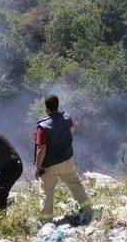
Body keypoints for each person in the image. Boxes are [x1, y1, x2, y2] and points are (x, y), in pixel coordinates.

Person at [34, 95, 92, 224]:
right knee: (76, 185)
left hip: (49, 166)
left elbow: (41, 149)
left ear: (46, 108)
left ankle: (47, 222)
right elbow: (72, 130)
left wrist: (38, 167)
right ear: (57, 105)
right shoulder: (66, 117)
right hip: (67, 160)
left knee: (47, 192)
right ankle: (88, 210)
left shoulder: (42, 127)